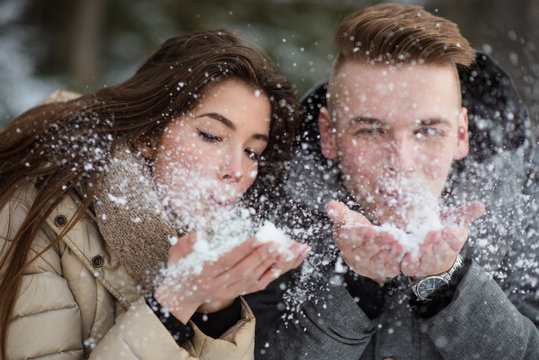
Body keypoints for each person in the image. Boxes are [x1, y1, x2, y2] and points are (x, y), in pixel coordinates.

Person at [245, 4, 538, 359]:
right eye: (370, 130)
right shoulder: (268, 209)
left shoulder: (528, 208)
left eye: (428, 130)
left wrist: (447, 281)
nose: (401, 163)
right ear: (329, 134)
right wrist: (357, 284)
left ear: (461, 134)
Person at [0, 29, 311, 359]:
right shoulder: (33, 209)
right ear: (148, 136)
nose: (237, 170)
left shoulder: (213, 244)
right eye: (211, 135)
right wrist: (175, 301)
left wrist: (217, 309)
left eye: (252, 152)